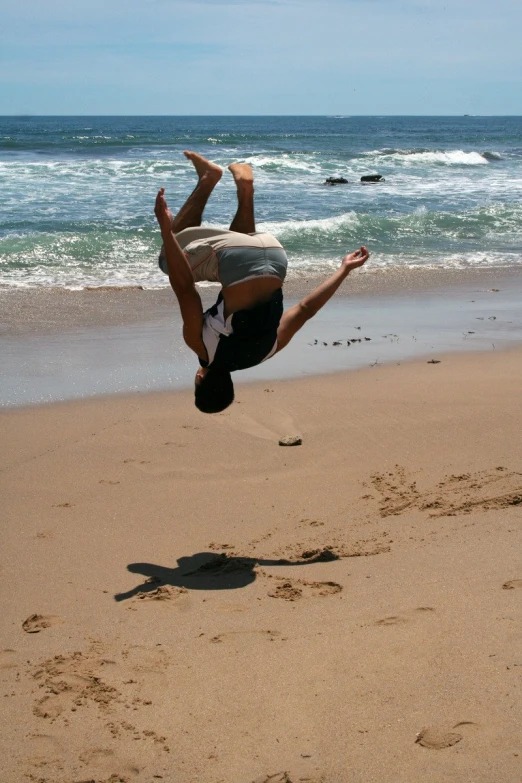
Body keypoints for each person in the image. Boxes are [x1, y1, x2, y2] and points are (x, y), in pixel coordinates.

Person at [154, 151, 370, 413]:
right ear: (199, 379)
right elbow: (185, 289)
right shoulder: (201, 346)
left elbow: (305, 310)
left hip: (275, 255)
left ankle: (246, 189)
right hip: (237, 259)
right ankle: (209, 178)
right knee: (169, 259)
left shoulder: (268, 351)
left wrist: (344, 270)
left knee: (237, 258)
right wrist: (166, 231)